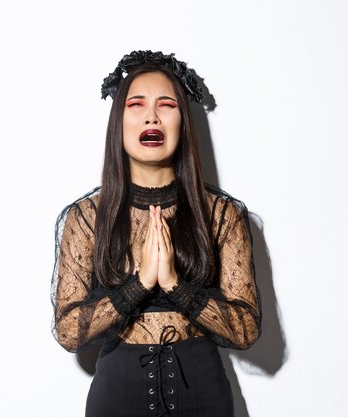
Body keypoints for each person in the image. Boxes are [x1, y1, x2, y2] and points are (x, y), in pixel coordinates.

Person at [51, 50, 261, 417]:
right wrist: (140, 283)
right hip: (117, 395)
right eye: (136, 104)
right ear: (119, 122)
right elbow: (69, 331)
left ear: (183, 121)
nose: (151, 116)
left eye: (166, 105)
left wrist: (177, 286)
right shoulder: (85, 218)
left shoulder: (222, 215)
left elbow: (245, 330)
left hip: (204, 394)